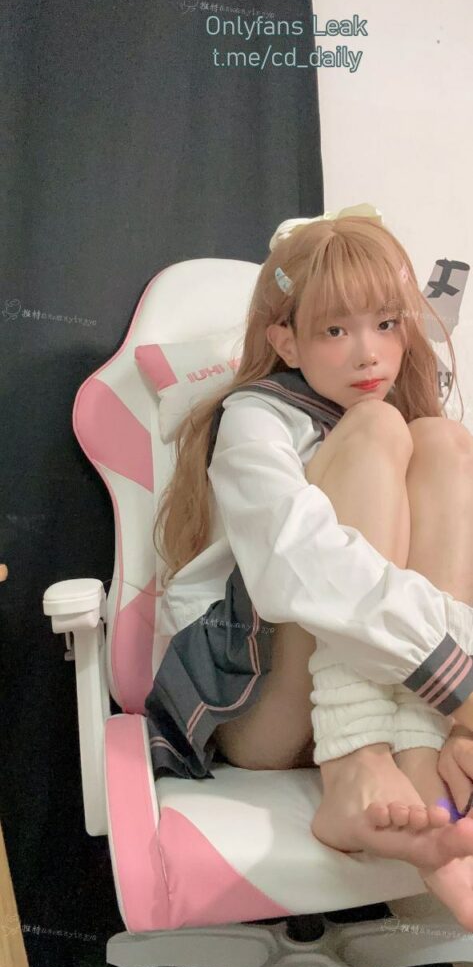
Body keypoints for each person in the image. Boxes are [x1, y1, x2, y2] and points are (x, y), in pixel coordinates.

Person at [145, 203, 473, 929]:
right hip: (260, 702)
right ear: (284, 339)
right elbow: (298, 567)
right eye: (334, 331)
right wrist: (458, 682)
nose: (368, 354)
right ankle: (355, 766)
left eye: (385, 324)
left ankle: (418, 764)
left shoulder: (412, 424)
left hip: (396, 698)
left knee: (447, 442)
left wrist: (453, 725)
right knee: (377, 428)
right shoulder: (256, 419)